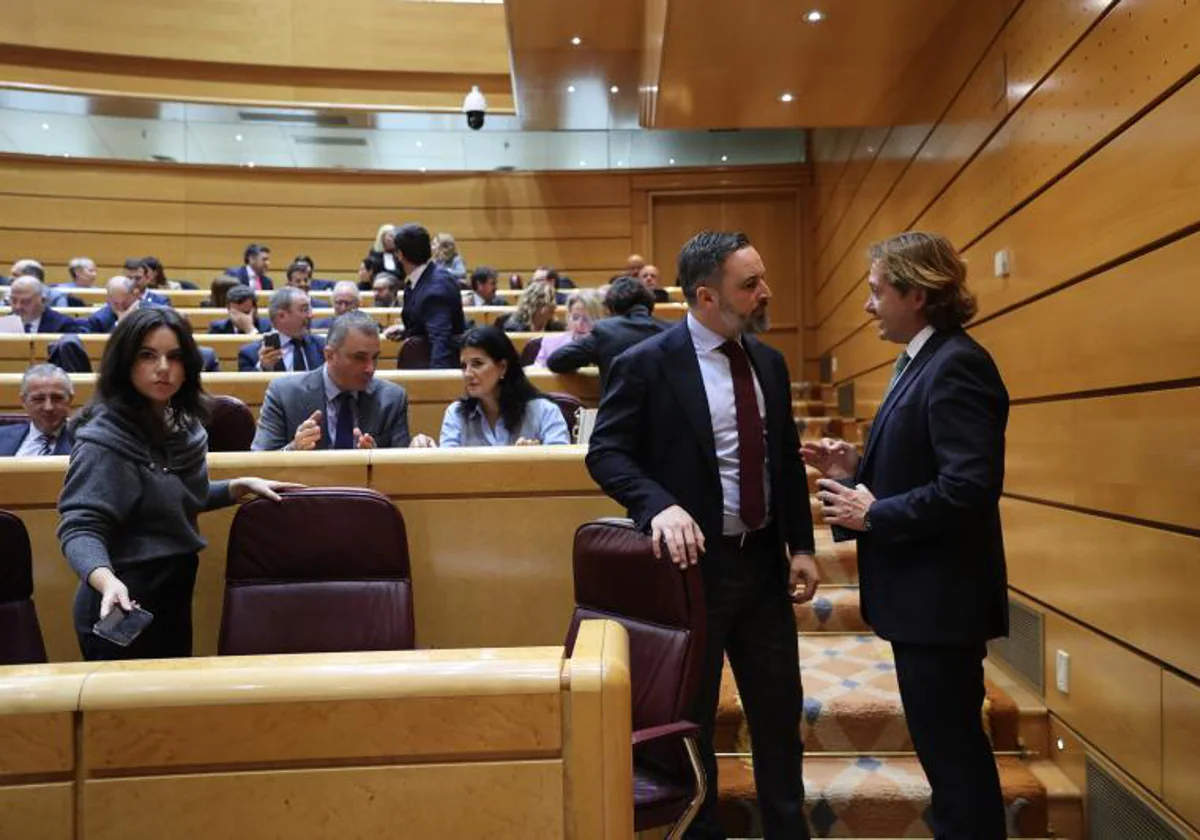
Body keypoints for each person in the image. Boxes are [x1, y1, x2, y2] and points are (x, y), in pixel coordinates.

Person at [586, 231, 817, 840]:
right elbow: (606, 453)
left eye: (762, 277)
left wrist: (803, 546)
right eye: (751, 284)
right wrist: (656, 505)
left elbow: (785, 461)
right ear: (706, 296)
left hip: (764, 570)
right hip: (692, 575)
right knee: (690, 722)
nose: (765, 291)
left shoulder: (768, 360)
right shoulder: (647, 364)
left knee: (777, 717)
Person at [806, 231, 1009, 840]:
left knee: (954, 761)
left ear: (917, 294)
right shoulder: (923, 359)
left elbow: (968, 488)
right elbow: (926, 467)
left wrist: (876, 514)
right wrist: (855, 472)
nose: (867, 306)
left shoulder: (958, 363)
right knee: (944, 755)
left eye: (876, 292)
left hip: (941, 602)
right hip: (922, 600)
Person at [56, 307, 297, 661]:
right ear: (125, 363)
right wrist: (106, 580)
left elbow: (175, 499)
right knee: (129, 714)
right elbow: (80, 527)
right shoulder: (105, 439)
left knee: (167, 708)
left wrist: (236, 486)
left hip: (173, 588)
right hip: (121, 598)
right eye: (147, 355)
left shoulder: (182, 427)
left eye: (175, 356)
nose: (163, 367)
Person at [252, 312, 411, 451]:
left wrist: (377, 463)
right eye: (359, 358)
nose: (370, 368)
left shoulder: (392, 399)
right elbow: (259, 463)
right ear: (329, 355)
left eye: (375, 357)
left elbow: (403, 472)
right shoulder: (284, 394)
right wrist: (293, 449)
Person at [410, 326, 569, 448]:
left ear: (502, 367)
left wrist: (535, 459)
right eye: (464, 366)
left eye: (477, 364)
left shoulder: (545, 411)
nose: (468, 374)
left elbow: (561, 471)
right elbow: (449, 473)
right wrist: (428, 449)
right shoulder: (456, 414)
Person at [546, 276, 667, 389]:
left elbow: (556, 361)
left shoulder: (605, 331)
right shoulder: (670, 330)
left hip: (620, 409)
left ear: (611, 309)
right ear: (650, 304)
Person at [389, 223, 465, 369]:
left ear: (400, 254)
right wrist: (408, 332)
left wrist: (434, 384)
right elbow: (429, 325)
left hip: (435, 370)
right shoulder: (424, 278)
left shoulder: (435, 290)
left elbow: (441, 342)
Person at [237, 287, 325, 372]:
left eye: (309, 309)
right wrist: (263, 368)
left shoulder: (323, 346)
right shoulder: (250, 354)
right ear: (281, 316)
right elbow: (246, 386)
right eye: (304, 309)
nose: (311, 315)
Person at [0, 364, 75, 456]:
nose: (48, 407)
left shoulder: (85, 442)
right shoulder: (2, 437)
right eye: (38, 399)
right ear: (24, 401)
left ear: (70, 400)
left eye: (57, 398)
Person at [533, 290, 603, 366]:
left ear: (601, 320)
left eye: (587, 319)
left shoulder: (608, 348)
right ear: (568, 317)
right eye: (575, 317)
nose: (579, 324)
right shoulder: (549, 343)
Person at [8, 277, 85, 333]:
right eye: (13, 300)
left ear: (43, 300)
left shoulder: (63, 326)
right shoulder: (4, 323)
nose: (18, 306)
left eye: (25, 301)